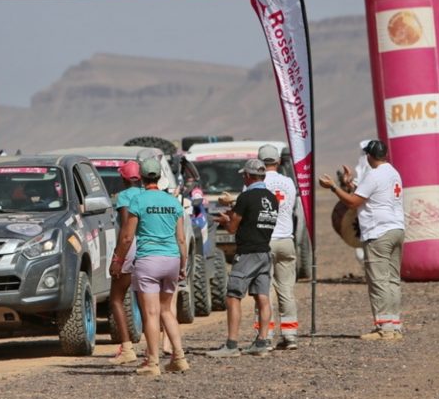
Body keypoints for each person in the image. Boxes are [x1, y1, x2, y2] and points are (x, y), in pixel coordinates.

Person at [319, 139, 406, 340]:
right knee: (392, 279)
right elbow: (372, 192)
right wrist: (350, 183)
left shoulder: (374, 175)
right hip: (397, 229)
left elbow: (352, 202)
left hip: (378, 232)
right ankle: (394, 325)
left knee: (378, 280)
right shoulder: (393, 172)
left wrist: (333, 187)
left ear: (369, 156)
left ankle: (383, 328)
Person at [110, 157, 189, 376]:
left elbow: (127, 237)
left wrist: (118, 261)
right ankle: (179, 357)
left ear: (143, 178)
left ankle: (152, 363)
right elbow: (181, 239)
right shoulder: (173, 202)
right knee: (166, 311)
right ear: (160, 177)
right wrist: (183, 265)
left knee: (151, 313)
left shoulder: (138, 201)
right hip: (172, 259)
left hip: (148, 261)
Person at [206, 159, 278, 357]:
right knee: (262, 297)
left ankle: (231, 345)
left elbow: (232, 228)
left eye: (243, 175)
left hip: (247, 253)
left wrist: (225, 219)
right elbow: (254, 219)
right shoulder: (272, 198)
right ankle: (262, 342)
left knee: (233, 296)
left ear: (248, 176)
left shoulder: (247, 197)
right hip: (265, 252)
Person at [258, 144, 300, 350]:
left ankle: (265, 336)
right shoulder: (288, 182)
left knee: (263, 291)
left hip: (264, 241)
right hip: (286, 240)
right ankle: (290, 335)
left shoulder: (256, 182)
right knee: (286, 289)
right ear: (278, 161)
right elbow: (291, 207)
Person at [107, 160, 143, 365]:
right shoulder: (146, 194)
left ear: (123, 178)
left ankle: (127, 347)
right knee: (146, 300)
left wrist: (117, 258)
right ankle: (155, 347)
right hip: (148, 247)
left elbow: (126, 228)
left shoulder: (124, 197)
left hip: (130, 246)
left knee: (116, 298)